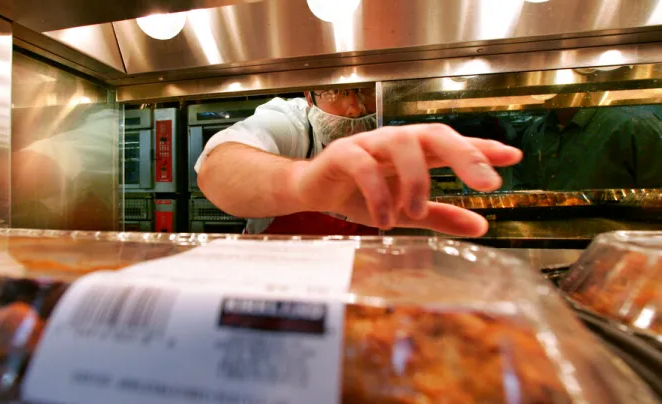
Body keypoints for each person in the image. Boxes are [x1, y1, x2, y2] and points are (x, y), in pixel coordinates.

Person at [195, 87, 522, 236]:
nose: (354, 108)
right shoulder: (289, 121)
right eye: (337, 92)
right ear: (309, 97)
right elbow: (217, 167)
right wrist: (301, 185)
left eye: (363, 92)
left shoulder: (390, 127)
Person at [513, 106, 662, 191]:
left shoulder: (634, 125)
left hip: (623, 241)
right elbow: (524, 188)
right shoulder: (535, 131)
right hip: (550, 239)